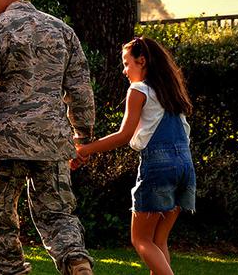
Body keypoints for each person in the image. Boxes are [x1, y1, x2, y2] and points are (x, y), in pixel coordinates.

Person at [0, 0, 96, 275]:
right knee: (59, 213)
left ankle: (11, 272)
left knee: (2, 215)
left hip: (8, 142)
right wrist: (83, 136)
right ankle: (76, 261)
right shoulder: (62, 30)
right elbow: (80, 88)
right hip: (53, 140)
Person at [75, 36, 196, 275]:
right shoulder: (171, 93)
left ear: (142, 61)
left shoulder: (139, 90)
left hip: (159, 168)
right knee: (159, 243)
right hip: (185, 168)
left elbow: (124, 135)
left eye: (127, 63)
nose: (124, 70)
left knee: (141, 240)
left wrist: (85, 149)